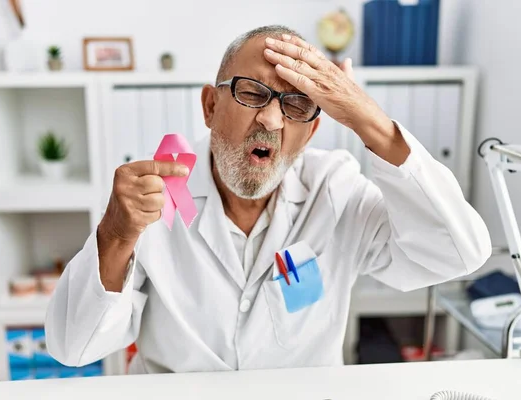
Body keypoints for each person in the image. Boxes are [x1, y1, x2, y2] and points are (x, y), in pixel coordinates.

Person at [45, 25, 492, 374]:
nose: (273, 120)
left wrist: (368, 121)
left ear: (312, 130)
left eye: (297, 105)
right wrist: (115, 235)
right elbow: (74, 347)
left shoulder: (333, 188)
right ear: (210, 106)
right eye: (253, 93)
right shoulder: (158, 190)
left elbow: (458, 253)